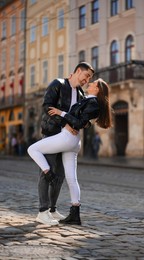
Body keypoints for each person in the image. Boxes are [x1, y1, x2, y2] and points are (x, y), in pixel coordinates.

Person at [28, 78, 112, 225]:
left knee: (32, 149)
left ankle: (48, 173)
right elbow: (82, 121)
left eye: (93, 84)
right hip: (73, 142)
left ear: (97, 89)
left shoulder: (92, 104)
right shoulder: (88, 100)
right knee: (72, 179)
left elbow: (79, 122)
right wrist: (69, 117)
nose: (89, 83)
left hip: (67, 138)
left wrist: (61, 113)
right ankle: (75, 214)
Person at [34, 62, 94, 226]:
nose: (87, 80)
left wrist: (80, 125)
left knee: (59, 177)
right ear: (77, 71)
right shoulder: (58, 84)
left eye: (89, 78)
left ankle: (52, 210)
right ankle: (42, 211)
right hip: (51, 134)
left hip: (67, 140)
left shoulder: (81, 94)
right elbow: (47, 106)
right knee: (47, 174)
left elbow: (83, 119)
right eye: (86, 76)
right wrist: (65, 124)